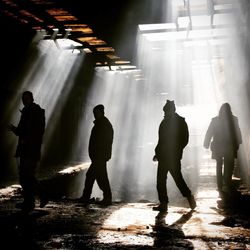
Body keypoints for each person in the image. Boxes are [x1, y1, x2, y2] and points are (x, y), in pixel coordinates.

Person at [153, 100, 196, 212]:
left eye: (166, 111)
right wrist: (157, 153)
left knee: (176, 180)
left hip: (172, 157)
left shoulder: (177, 123)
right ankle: (165, 203)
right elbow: (161, 140)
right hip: (167, 157)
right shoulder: (171, 122)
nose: (165, 114)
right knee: (163, 180)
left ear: (171, 111)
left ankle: (186, 198)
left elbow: (184, 140)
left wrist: (174, 150)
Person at [8, 91, 47, 212]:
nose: (24, 101)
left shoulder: (35, 112)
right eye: (23, 99)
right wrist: (15, 129)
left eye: (26, 98)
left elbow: (36, 131)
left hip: (31, 149)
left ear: (31, 99)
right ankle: (30, 201)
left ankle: (40, 196)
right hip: (26, 149)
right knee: (24, 177)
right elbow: (22, 131)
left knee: (27, 176)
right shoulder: (27, 112)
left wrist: (23, 136)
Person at [80, 104, 114, 206]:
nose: (94, 115)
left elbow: (103, 142)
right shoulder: (103, 124)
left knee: (91, 176)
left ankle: (87, 197)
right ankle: (107, 197)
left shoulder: (102, 125)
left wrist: (99, 155)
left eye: (96, 113)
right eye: (94, 113)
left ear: (100, 112)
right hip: (99, 156)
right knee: (101, 177)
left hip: (99, 156)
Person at [203, 103, 242, 192]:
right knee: (229, 165)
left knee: (219, 165)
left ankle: (220, 184)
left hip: (218, 146)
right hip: (230, 146)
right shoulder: (234, 120)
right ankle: (227, 182)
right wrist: (239, 141)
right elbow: (237, 132)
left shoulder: (215, 120)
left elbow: (209, 132)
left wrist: (206, 143)